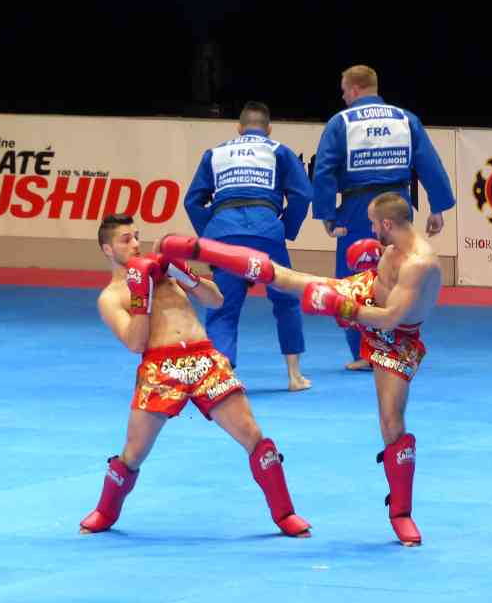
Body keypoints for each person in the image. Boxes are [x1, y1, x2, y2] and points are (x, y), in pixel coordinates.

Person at [157, 192, 441, 546]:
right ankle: (200, 250)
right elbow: (376, 294)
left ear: (387, 223)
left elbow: (390, 318)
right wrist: (353, 295)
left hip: (395, 335)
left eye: (373, 223)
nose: (370, 229)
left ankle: (401, 514)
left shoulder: (419, 264)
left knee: (391, 423)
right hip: (366, 293)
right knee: (283, 277)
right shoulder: (391, 248)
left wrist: (342, 308)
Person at [79, 213, 311, 538]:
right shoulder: (111, 297)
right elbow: (135, 343)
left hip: (203, 358)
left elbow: (216, 300)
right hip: (160, 367)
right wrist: (141, 295)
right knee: (133, 453)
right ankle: (105, 512)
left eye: (137, 236)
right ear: (107, 249)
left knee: (253, 435)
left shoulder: (165, 272)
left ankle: (285, 514)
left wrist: (183, 274)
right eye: (125, 239)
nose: (135, 244)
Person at [311, 64, 455, 370]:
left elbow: (324, 170)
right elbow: (429, 163)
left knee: (354, 277)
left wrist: (327, 214)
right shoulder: (405, 119)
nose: (343, 97)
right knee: (399, 275)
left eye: (343, 91)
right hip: (397, 203)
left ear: (354, 89)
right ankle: (398, 345)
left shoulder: (341, 122)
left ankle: (364, 354)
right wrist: (437, 207)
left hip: (358, 208)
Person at [184, 100, 313, 391]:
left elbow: (192, 201)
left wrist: (211, 238)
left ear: (239, 128)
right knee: (286, 301)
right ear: (269, 129)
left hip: (224, 232)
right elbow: (303, 194)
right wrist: (286, 228)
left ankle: (222, 376)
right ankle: (294, 376)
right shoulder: (278, 150)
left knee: (223, 306)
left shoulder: (215, 153)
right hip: (266, 230)